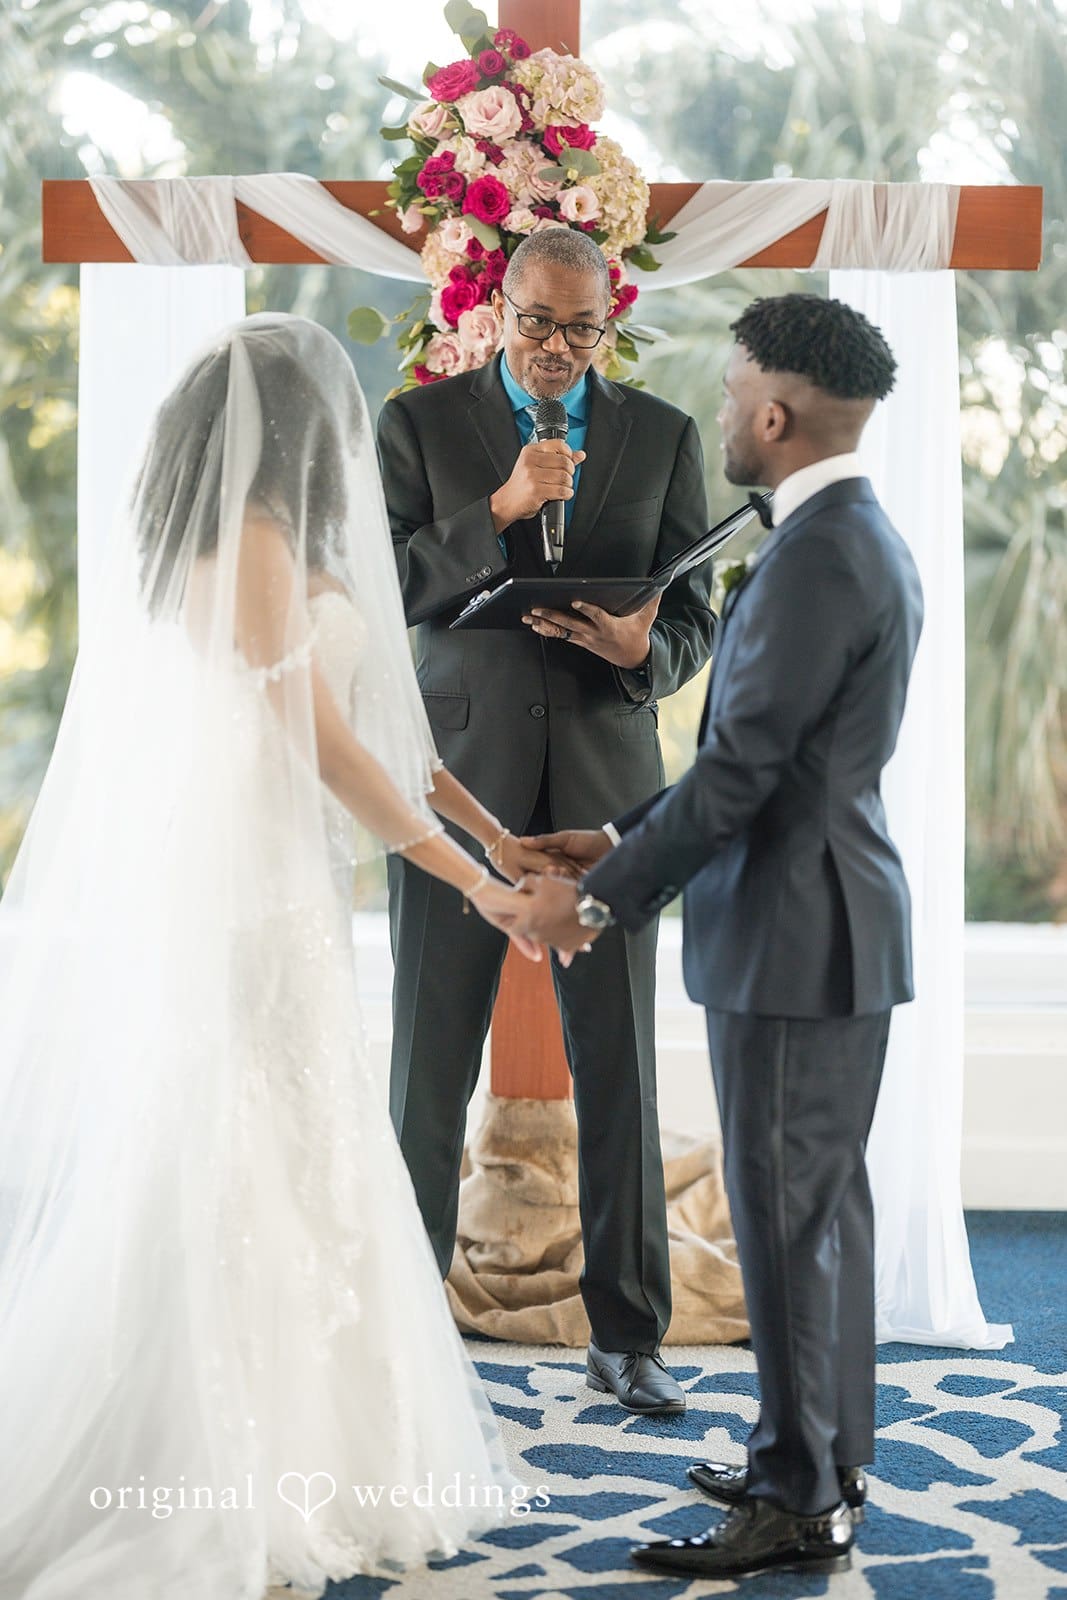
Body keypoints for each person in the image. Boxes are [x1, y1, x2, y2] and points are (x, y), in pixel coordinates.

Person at [0, 314, 565, 1600]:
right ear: (299, 434)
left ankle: (323, 1449)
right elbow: (320, 742)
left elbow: (404, 746)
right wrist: (472, 885)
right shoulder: (247, 544)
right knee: (245, 1155)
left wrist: (500, 833)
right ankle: (226, 1462)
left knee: (310, 1149)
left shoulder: (284, 546)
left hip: (292, 903)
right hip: (246, 899)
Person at [516, 293, 924, 1579]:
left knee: (785, 1213)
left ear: (771, 411)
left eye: (732, 385)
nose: (720, 412)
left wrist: (590, 900)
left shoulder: (819, 554)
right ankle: (808, 1447)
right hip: (816, 922)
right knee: (815, 1210)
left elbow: (741, 770)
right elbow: (753, 761)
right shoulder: (845, 535)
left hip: (798, 933)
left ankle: (798, 1498)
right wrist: (611, 830)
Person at [375, 228, 715, 1416]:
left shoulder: (665, 437)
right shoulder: (417, 426)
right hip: (452, 781)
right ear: (498, 307)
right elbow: (373, 589)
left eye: (581, 328)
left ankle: (627, 1333)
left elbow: (693, 619)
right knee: (426, 1066)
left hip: (606, 788)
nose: (558, 348)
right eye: (536, 323)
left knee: (617, 1065)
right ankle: (410, 1333)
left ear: (608, 317)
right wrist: (502, 504)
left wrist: (643, 650)